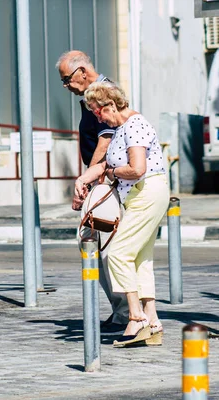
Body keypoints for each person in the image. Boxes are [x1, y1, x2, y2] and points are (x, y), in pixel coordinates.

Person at [73, 81, 169, 348]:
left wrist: (113, 174)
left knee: (117, 253)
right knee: (140, 258)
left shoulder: (135, 125)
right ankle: (152, 322)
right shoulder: (121, 128)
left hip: (146, 191)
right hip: (142, 194)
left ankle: (135, 316)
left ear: (111, 106)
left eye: (97, 112)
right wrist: (84, 179)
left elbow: (136, 168)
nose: (97, 118)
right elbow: (106, 163)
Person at [56, 50, 128, 333]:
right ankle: (123, 310)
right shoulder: (91, 97)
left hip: (105, 180)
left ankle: (124, 311)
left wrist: (90, 177)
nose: (66, 86)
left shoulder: (102, 94)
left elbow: (106, 140)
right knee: (96, 244)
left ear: (82, 72)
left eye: (67, 79)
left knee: (98, 243)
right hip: (101, 178)